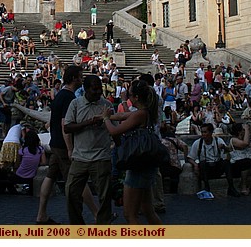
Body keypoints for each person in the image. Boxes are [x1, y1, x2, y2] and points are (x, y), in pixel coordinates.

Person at [35, 64, 98, 225]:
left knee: (50, 176)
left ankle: (41, 214)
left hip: (55, 142)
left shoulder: (60, 95)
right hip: (63, 145)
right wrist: (70, 148)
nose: (82, 78)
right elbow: (66, 125)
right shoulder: (69, 98)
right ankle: (97, 213)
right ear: (74, 78)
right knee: (78, 179)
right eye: (80, 76)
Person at [102, 79, 163, 224]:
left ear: (136, 97)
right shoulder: (147, 111)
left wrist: (105, 118)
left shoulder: (139, 114)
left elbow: (114, 130)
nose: (128, 98)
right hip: (146, 162)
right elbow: (123, 116)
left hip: (138, 165)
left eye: (130, 95)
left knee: (130, 214)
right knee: (148, 210)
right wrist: (109, 116)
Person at [64, 74, 113, 225]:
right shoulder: (75, 104)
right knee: (71, 192)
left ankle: (102, 227)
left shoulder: (106, 106)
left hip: (101, 157)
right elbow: (67, 127)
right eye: (94, 90)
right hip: (80, 157)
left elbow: (113, 129)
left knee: (105, 197)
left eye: (100, 89)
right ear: (85, 90)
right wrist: (89, 122)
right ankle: (77, 226)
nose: (98, 92)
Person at [186, 122, 237, 198]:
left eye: (205, 132)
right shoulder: (197, 143)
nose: (203, 134)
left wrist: (224, 147)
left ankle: (231, 187)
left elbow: (229, 151)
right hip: (206, 169)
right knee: (202, 163)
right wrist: (195, 164)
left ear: (210, 132)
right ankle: (207, 188)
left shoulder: (218, 141)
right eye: (202, 132)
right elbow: (190, 157)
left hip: (217, 166)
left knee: (226, 163)